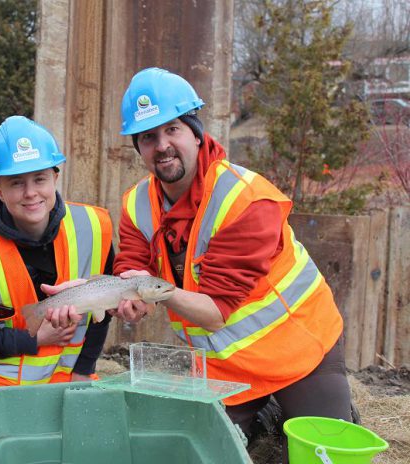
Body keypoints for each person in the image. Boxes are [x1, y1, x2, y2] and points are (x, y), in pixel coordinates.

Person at [112, 67, 352, 442]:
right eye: (148, 137)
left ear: (196, 132)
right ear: (139, 148)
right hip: (222, 368)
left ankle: (290, 413)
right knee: (198, 450)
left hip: (298, 353)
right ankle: (262, 419)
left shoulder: (247, 200)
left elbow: (214, 312)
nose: (162, 145)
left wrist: (151, 290)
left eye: (172, 129)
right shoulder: (136, 203)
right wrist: (130, 297)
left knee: (326, 449)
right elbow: (131, 263)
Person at [0, 116, 114, 394]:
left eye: (40, 179)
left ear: (55, 177)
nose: (31, 193)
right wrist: (34, 339)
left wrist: (84, 369)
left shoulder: (92, 229)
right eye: (16, 183)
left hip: (63, 378)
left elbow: (101, 309)